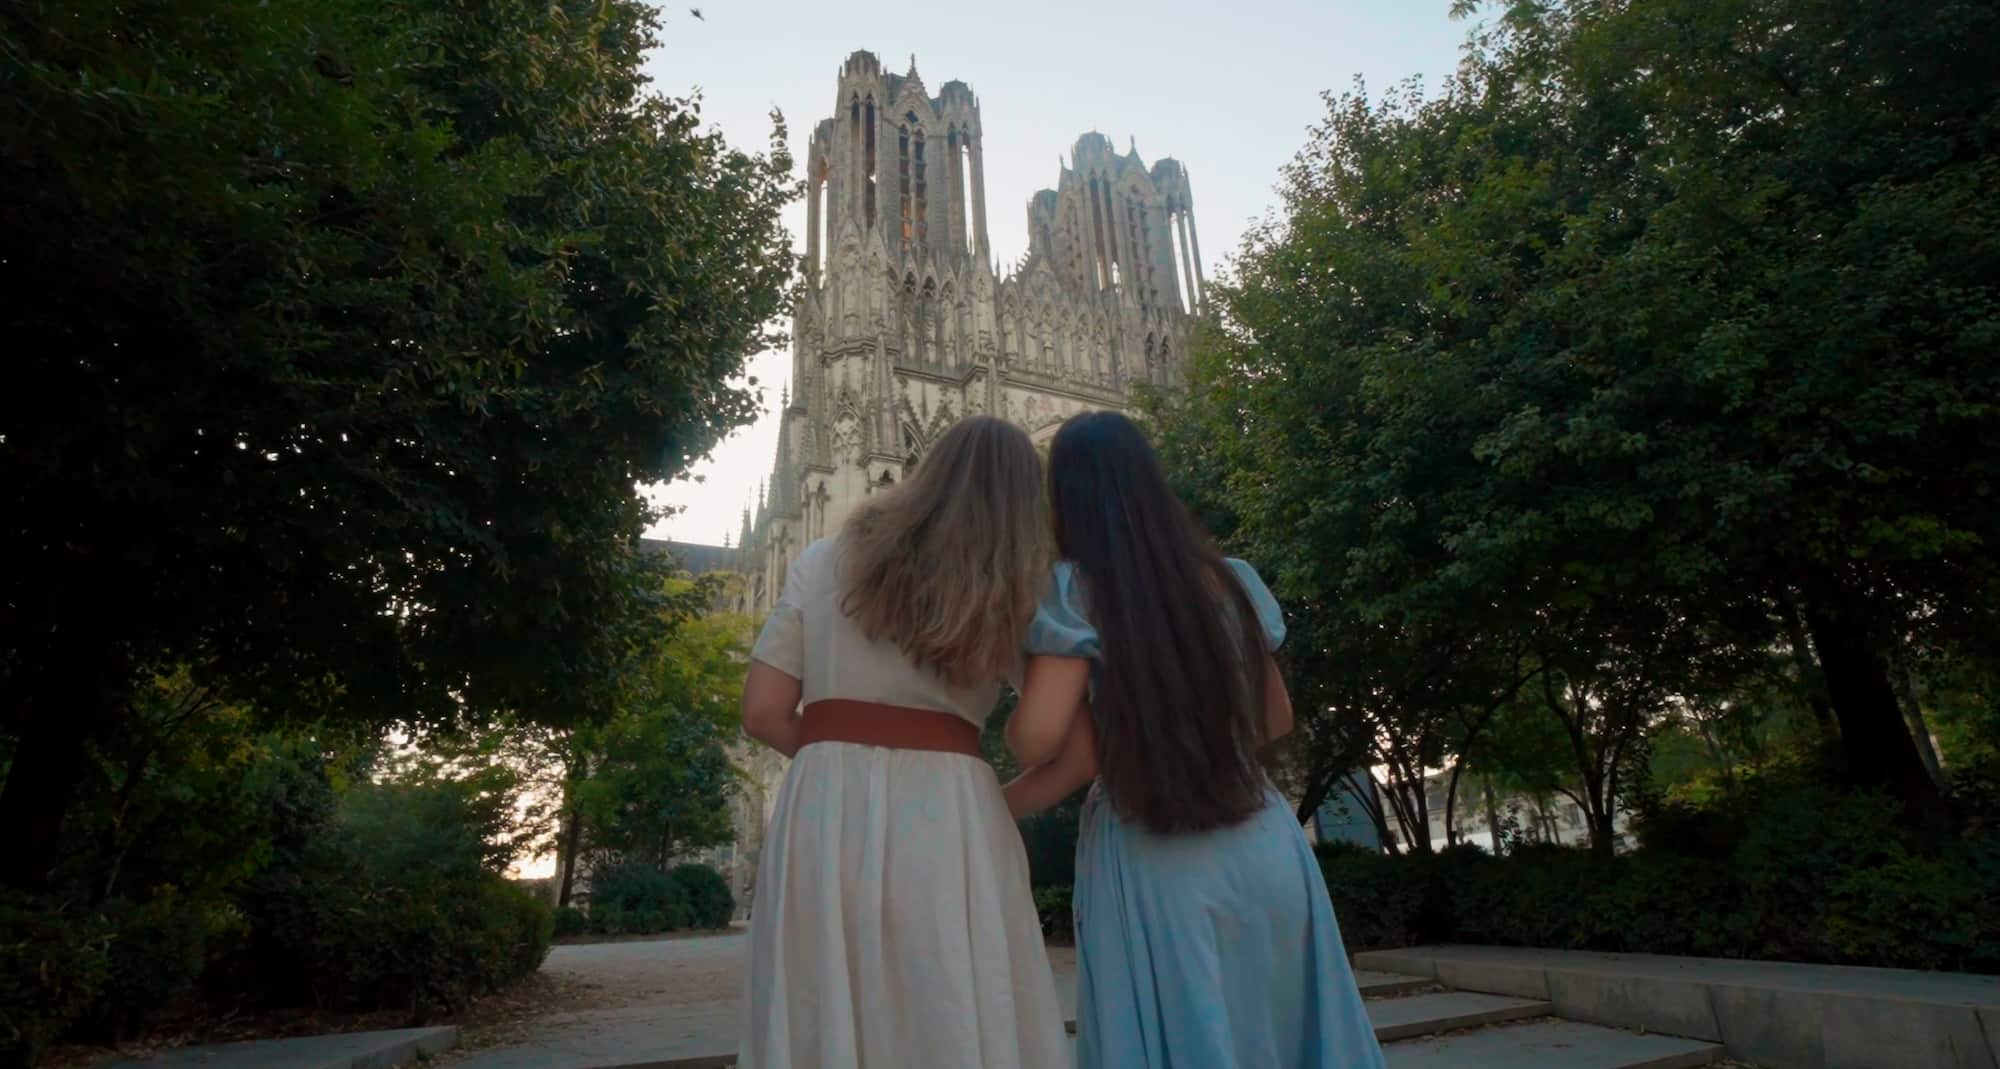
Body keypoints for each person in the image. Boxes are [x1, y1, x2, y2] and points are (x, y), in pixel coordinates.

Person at [1003, 410, 1387, 1069]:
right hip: (1266, 842)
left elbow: (1040, 741)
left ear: (1066, 500)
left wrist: (1008, 714)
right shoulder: (1232, 578)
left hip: (1156, 855)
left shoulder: (1077, 592)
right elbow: (1276, 719)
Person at [737, 416, 1070, 1069]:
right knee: (949, 1004)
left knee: (824, 1001)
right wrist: (989, 802)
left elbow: (762, 710)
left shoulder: (822, 559)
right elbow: (1068, 744)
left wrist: (839, 754)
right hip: (952, 810)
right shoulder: (1017, 585)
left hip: (822, 809)